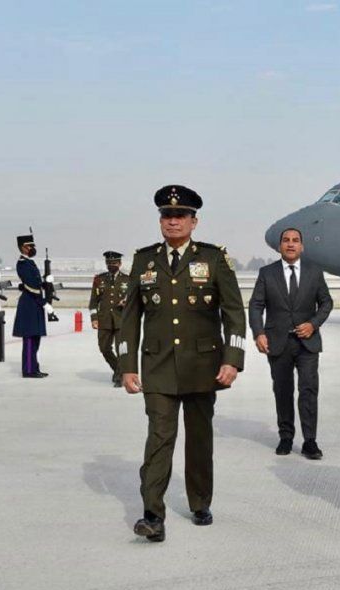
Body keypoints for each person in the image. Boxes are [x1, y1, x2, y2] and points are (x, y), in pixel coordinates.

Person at [118, 185, 246, 543]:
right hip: (157, 367)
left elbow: (234, 313)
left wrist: (232, 360)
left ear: (194, 221)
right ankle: (152, 515)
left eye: (180, 216)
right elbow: (129, 318)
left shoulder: (214, 259)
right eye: (166, 215)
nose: (172, 221)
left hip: (203, 367)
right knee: (159, 439)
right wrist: (127, 365)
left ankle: (200, 501)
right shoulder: (144, 260)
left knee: (199, 440)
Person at [248, 227, 333, 459]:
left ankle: (310, 441)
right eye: (286, 240)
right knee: (283, 390)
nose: (291, 244)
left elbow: (326, 303)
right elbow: (256, 305)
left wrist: (313, 324)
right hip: (278, 342)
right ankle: (286, 437)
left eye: (296, 240)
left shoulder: (315, 272)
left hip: (308, 343)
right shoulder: (267, 273)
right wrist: (258, 333)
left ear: (302, 246)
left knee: (308, 390)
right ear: (280, 246)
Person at [89, 251, 130, 386]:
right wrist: (94, 318)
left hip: (121, 320)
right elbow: (93, 301)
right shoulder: (99, 279)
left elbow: (134, 300)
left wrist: (126, 302)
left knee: (121, 350)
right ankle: (118, 370)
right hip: (104, 319)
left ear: (120, 263)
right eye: (109, 263)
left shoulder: (127, 279)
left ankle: (119, 376)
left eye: (114, 263)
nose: (111, 265)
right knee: (104, 348)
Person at [13, 233, 50, 378]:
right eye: (30, 246)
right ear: (23, 247)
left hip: (34, 304)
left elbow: (37, 284)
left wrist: (46, 283)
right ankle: (28, 369)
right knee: (29, 338)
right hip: (29, 304)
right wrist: (44, 303)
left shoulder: (30, 262)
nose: (33, 248)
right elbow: (32, 287)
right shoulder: (22, 263)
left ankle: (34, 367)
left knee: (35, 338)